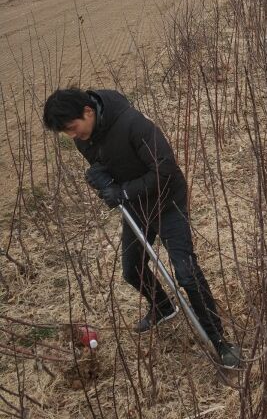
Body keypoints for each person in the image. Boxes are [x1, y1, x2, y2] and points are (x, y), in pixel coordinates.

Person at [43, 87, 240, 369]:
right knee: (131, 269)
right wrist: (102, 178)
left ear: (87, 112)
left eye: (72, 128)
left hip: (167, 201)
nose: (72, 136)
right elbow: (105, 166)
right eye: (66, 132)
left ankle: (220, 342)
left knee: (186, 274)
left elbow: (165, 168)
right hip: (136, 206)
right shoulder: (84, 137)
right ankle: (162, 307)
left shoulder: (132, 124)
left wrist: (123, 192)